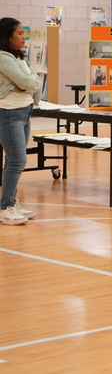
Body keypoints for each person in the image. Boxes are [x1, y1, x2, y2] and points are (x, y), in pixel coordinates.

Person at [0, 17, 43, 225]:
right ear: (7, 36)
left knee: (13, 160)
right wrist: (26, 84)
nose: (24, 38)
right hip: (9, 113)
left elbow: (35, 80)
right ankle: (5, 208)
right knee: (18, 160)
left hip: (24, 111)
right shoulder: (2, 57)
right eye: (19, 33)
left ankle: (11, 201)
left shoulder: (20, 57)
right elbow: (26, 81)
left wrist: (26, 85)